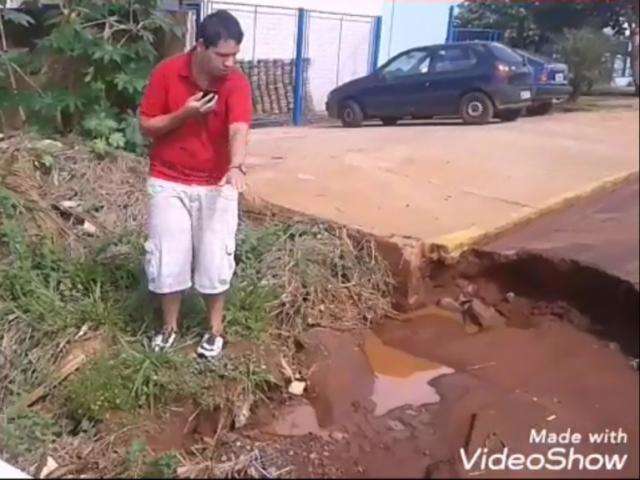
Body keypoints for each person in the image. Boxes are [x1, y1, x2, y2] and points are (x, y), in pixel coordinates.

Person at [138, 10, 251, 359]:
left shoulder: (236, 83)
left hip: (217, 183)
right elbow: (147, 126)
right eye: (222, 55)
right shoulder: (168, 73)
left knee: (215, 259)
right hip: (168, 180)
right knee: (168, 257)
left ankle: (214, 331)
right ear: (200, 45)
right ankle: (169, 328)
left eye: (235, 55)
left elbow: (239, 128)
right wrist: (184, 114)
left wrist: (236, 166)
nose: (230, 62)